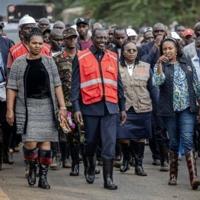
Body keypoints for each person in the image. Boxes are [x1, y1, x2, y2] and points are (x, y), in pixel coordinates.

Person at [6, 27, 69, 189]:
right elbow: (11, 87)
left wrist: (62, 107)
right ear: (27, 44)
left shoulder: (49, 62)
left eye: (40, 43)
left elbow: (57, 85)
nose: (37, 46)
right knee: (30, 143)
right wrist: (10, 109)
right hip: (26, 108)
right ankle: (32, 167)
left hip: (47, 107)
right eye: (34, 43)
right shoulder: (18, 63)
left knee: (46, 144)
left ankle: (43, 176)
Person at [71, 28, 126, 190]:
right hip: (90, 108)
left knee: (109, 143)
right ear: (92, 38)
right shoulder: (81, 57)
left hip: (110, 108)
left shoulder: (113, 57)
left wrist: (122, 107)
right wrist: (76, 108)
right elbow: (75, 86)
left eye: (104, 38)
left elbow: (119, 84)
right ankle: (89, 164)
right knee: (91, 142)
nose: (102, 40)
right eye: (99, 38)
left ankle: (108, 179)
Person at [153, 36, 200, 190]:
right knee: (173, 141)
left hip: (187, 108)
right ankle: (173, 175)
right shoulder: (161, 65)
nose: (167, 51)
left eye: (170, 48)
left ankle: (194, 177)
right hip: (169, 110)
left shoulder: (187, 63)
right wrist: (159, 63)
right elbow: (157, 82)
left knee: (187, 140)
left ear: (176, 49)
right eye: (165, 49)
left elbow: (196, 84)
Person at [118, 41, 157, 176]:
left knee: (140, 137)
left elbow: (152, 88)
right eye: (128, 50)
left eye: (134, 50)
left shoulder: (145, 67)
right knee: (123, 137)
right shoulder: (117, 68)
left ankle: (139, 165)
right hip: (125, 108)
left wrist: (156, 106)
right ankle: (126, 160)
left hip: (143, 107)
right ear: (123, 52)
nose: (132, 53)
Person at [54, 27, 80, 175]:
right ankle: (70, 161)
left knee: (85, 135)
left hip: (83, 104)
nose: (72, 40)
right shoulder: (57, 59)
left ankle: (87, 162)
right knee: (68, 134)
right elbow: (54, 83)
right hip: (66, 104)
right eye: (69, 38)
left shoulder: (83, 57)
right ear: (63, 40)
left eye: (74, 37)